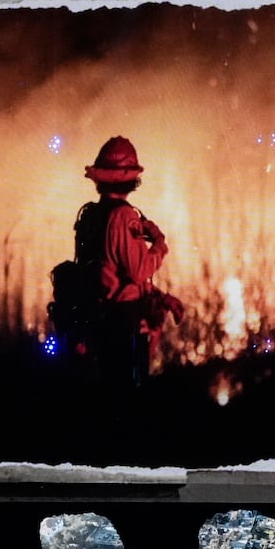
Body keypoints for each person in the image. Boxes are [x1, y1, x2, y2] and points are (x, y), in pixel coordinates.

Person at [52, 135, 184, 386]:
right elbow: (138, 270)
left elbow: (107, 268)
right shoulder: (124, 218)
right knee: (128, 392)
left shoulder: (91, 215)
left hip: (99, 318)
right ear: (131, 178)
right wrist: (158, 244)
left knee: (107, 392)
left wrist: (159, 297)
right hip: (123, 323)